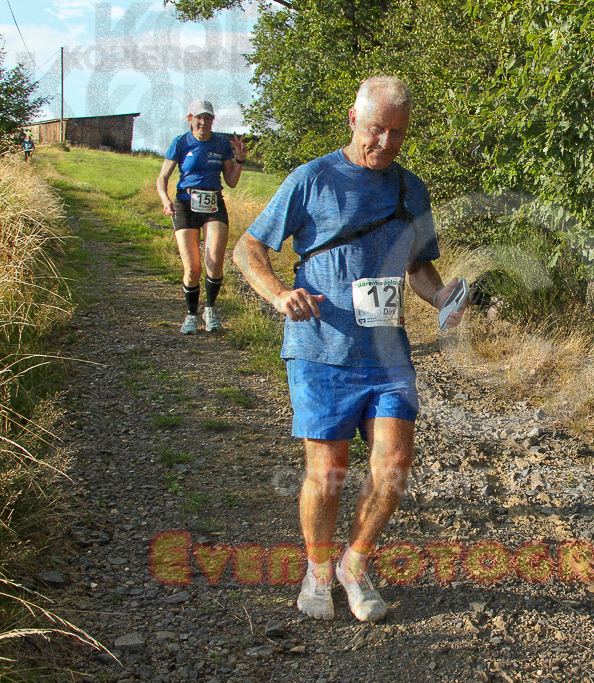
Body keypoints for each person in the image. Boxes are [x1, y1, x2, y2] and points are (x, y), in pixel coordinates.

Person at [233, 75, 467, 623]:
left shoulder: (413, 191)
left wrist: (443, 298)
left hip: (387, 355)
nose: (384, 142)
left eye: (397, 133)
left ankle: (353, 566)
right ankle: (317, 573)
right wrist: (278, 294)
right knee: (329, 471)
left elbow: (418, 269)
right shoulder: (312, 179)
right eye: (376, 129)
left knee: (394, 465)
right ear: (353, 121)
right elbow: (249, 249)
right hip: (319, 349)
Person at [156, 99, 246, 334]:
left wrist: (240, 160)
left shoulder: (221, 143)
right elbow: (162, 178)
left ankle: (211, 309)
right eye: (199, 117)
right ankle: (191, 315)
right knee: (193, 267)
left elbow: (232, 182)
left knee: (214, 260)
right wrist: (165, 201)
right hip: (185, 204)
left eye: (208, 118)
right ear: (190, 119)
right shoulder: (180, 142)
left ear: (213, 120)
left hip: (214, 203)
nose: (203, 122)